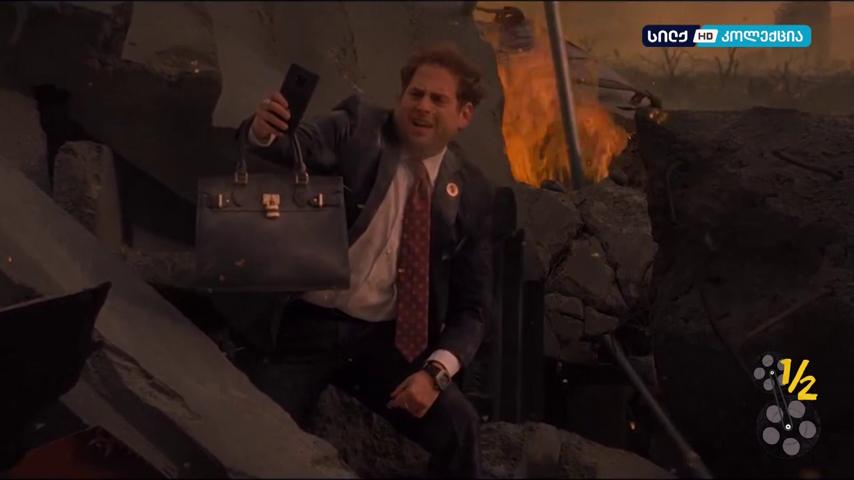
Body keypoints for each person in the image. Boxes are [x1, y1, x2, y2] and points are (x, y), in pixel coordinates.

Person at [235, 43, 494, 478]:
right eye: (416, 94)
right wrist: (265, 131)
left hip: (383, 342)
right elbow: (295, 145)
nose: (422, 106)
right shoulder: (359, 127)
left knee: (459, 426)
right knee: (259, 441)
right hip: (305, 326)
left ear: (464, 115)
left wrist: (435, 373)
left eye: (438, 99)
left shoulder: (471, 191)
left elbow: (474, 309)